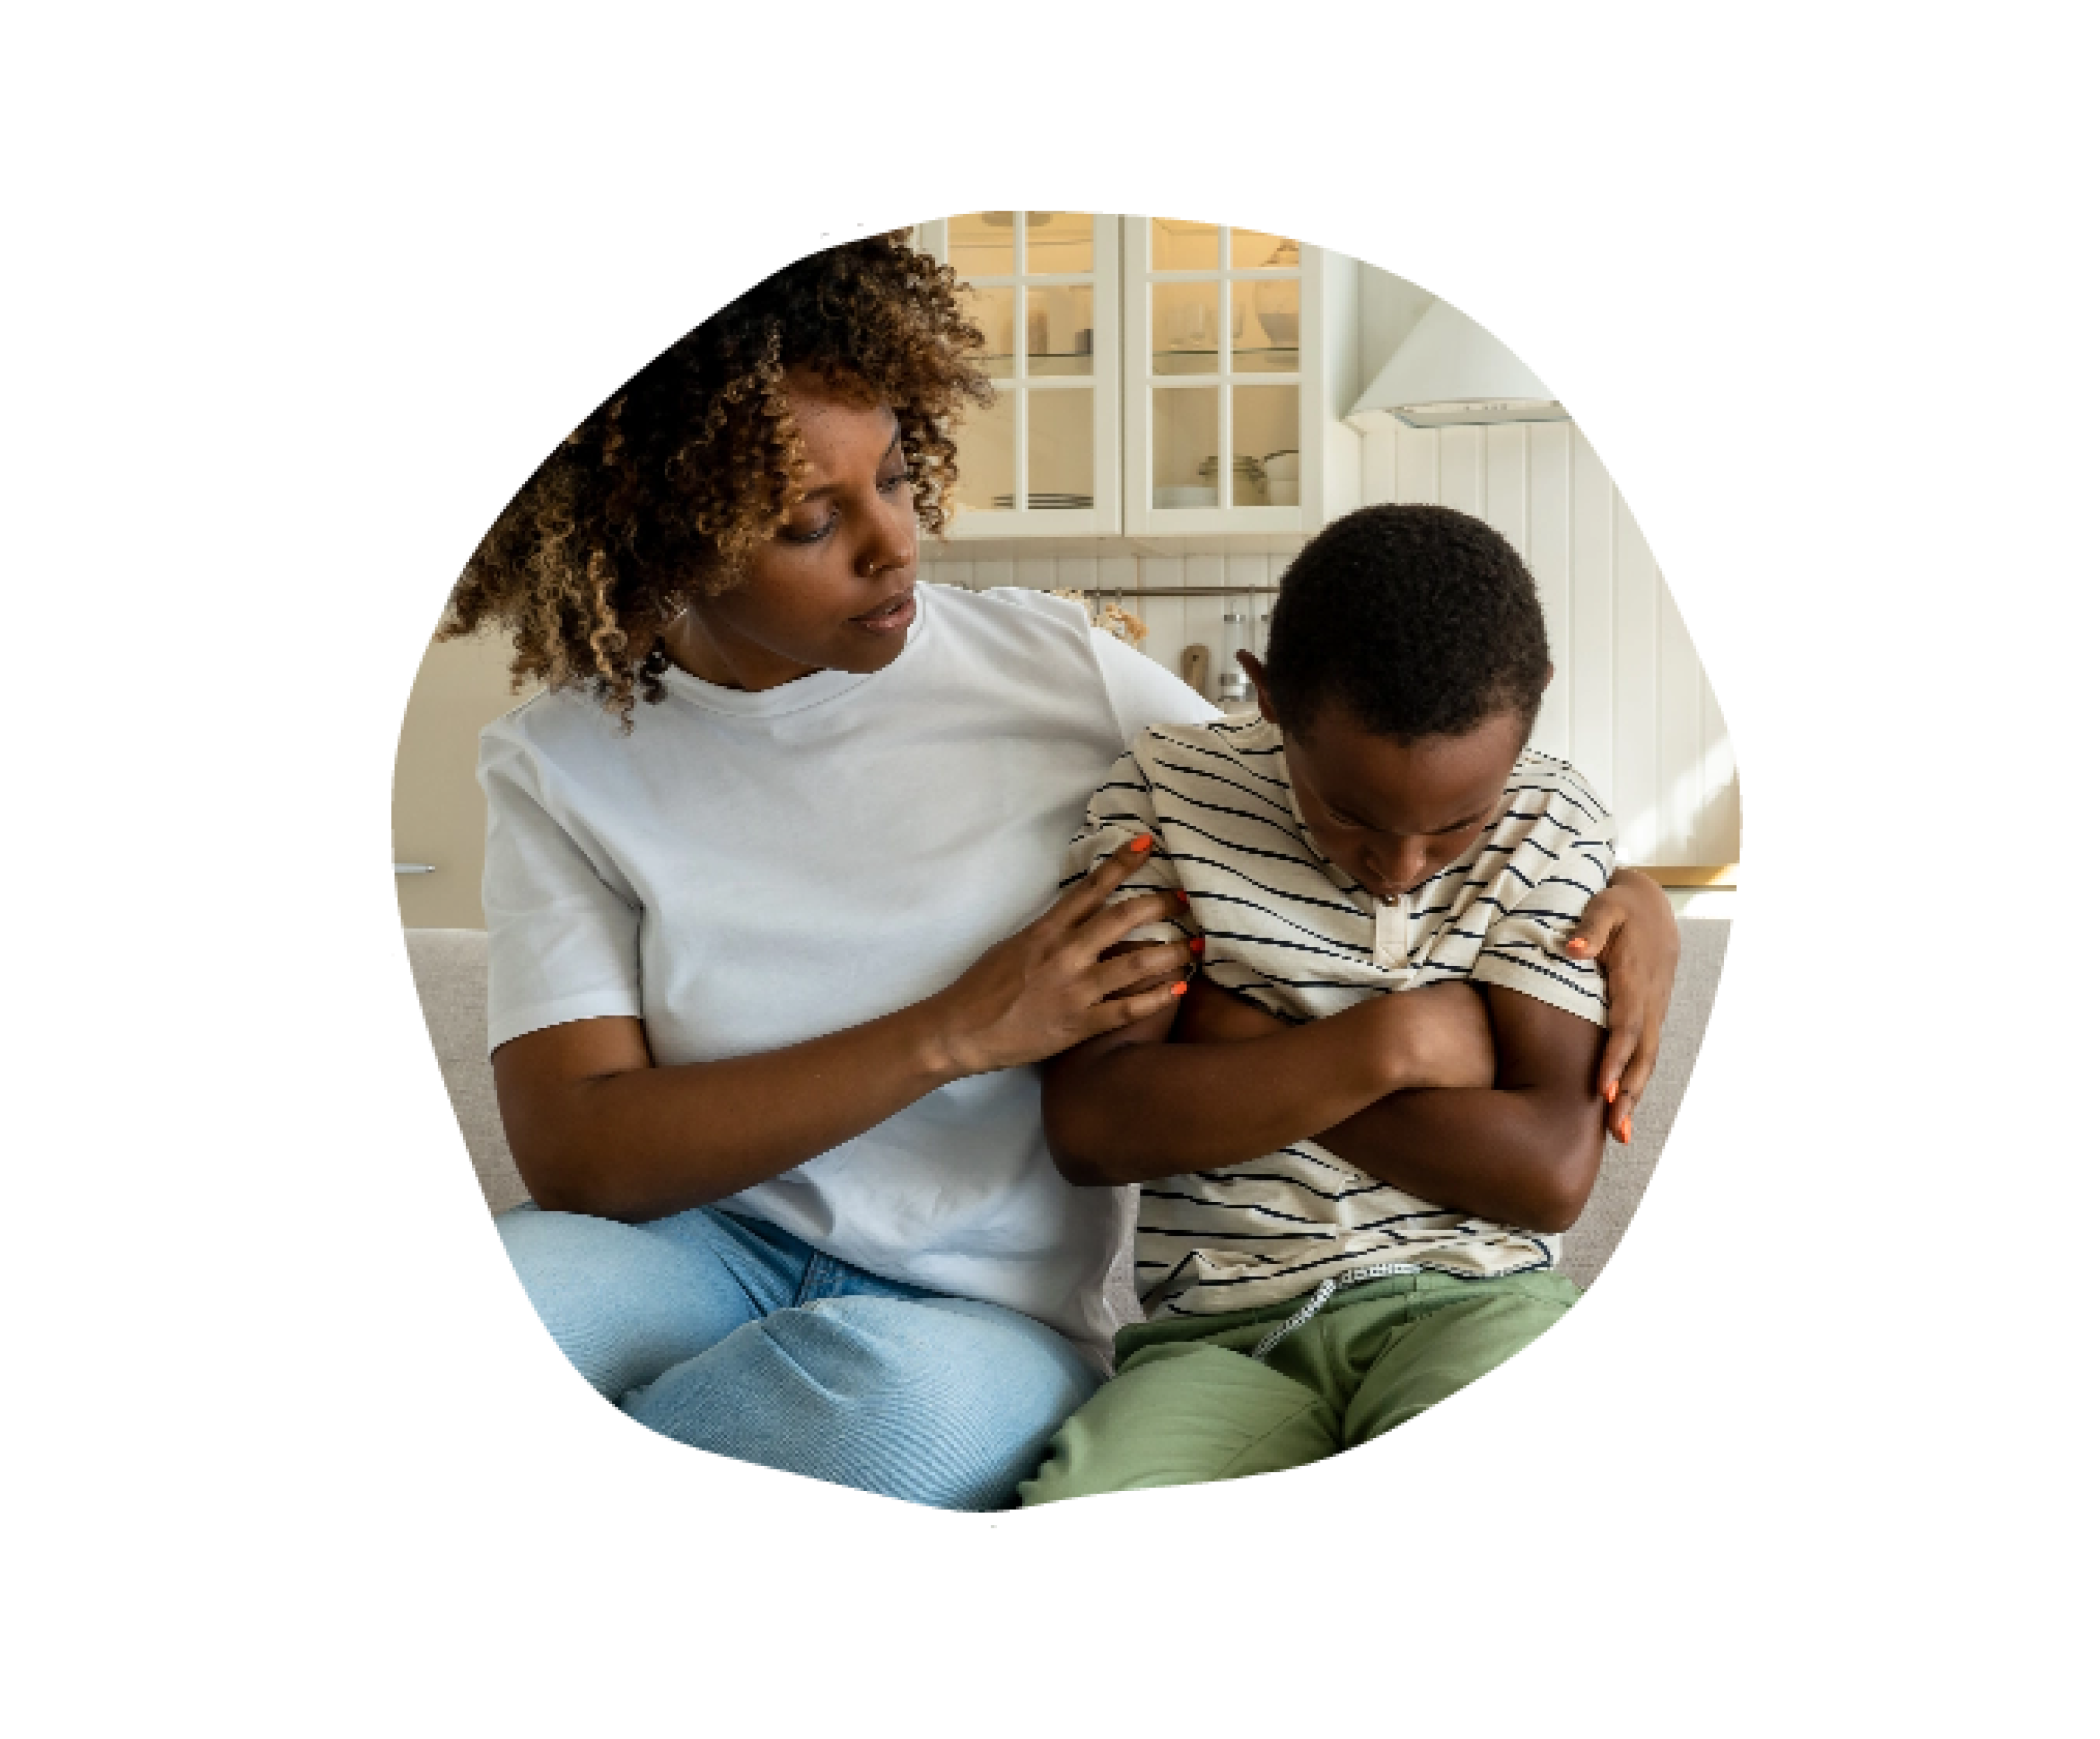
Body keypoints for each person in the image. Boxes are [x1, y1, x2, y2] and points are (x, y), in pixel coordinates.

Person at [438, 229, 1682, 1514]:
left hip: (979, 1315)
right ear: (663, 541)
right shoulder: (560, 764)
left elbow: (1331, 790)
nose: (893, 543)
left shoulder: (1055, 674)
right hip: (693, 1253)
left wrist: (1632, 891)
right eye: (813, 522)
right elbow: (580, 1152)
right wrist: (955, 1032)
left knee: (868, 1410)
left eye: (897, 477)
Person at [1021, 503, 1621, 1505]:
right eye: (1348, 814)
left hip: (1477, 1305)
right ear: (1266, 696)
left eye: (1459, 824)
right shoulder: (1168, 789)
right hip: (1218, 1337)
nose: (1401, 867)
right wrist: (1391, 1043)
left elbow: (1548, 1174)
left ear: (1536, 708)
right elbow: (1094, 1125)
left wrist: (1238, 1034)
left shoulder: (1551, 819)